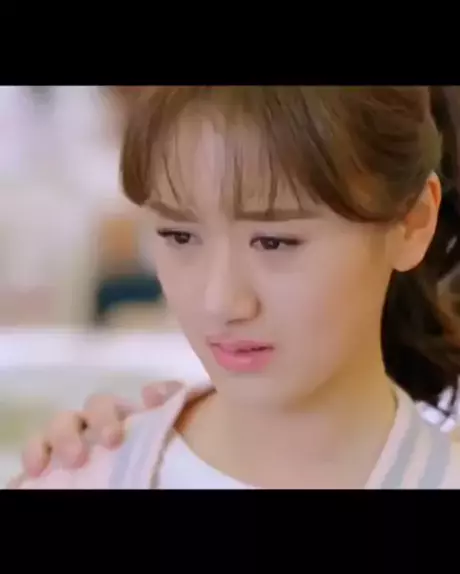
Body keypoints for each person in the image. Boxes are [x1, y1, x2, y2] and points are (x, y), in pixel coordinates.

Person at [11, 86, 460, 489]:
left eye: (275, 242)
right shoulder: (85, 472)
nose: (220, 301)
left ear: (413, 222)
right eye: (179, 236)